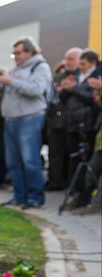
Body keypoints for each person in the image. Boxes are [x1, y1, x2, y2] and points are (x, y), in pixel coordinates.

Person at [0, 37, 52, 208]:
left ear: (30, 52)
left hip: (30, 118)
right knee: (13, 162)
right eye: (14, 54)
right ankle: (19, 196)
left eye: (18, 53)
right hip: (11, 120)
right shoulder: (15, 70)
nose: (16, 57)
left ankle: (35, 198)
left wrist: (10, 82)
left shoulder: (40, 67)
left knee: (30, 160)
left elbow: (36, 90)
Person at [60, 49, 101, 207]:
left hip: (88, 125)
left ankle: (85, 197)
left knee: (88, 163)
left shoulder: (97, 76)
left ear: (92, 63)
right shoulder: (74, 76)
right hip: (72, 123)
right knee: (74, 160)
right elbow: (64, 99)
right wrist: (65, 89)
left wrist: (74, 90)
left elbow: (92, 100)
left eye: (83, 64)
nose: (80, 67)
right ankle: (74, 193)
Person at [47, 48, 84, 189]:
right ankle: (55, 181)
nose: (66, 62)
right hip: (57, 120)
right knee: (55, 152)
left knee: (73, 154)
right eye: (66, 58)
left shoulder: (82, 77)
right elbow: (51, 99)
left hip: (75, 121)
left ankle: (72, 184)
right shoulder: (58, 77)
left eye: (71, 59)